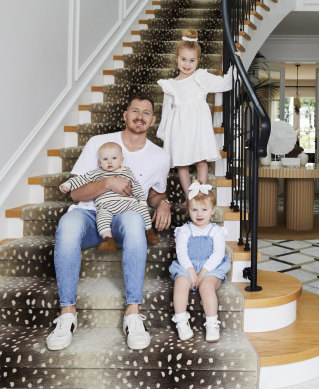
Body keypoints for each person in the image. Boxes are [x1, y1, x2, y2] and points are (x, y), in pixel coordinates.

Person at [46, 93, 172, 351]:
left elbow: (153, 194)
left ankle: (133, 314)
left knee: (135, 222)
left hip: (125, 216)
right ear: (124, 116)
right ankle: (67, 314)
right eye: (134, 111)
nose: (140, 116)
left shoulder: (160, 156)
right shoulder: (99, 142)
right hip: (90, 215)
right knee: (67, 225)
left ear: (153, 120)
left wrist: (165, 203)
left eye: (146, 113)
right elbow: (75, 193)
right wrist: (106, 183)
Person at [156, 28, 240, 202]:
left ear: (198, 61)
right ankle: (190, 196)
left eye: (192, 60)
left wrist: (236, 64)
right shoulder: (170, 85)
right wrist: (163, 133)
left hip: (198, 128)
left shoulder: (200, 78)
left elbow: (226, 83)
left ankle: (200, 194)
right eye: (183, 59)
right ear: (176, 59)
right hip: (179, 129)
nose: (187, 64)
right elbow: (166, 110)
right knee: (182, 164)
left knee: (201, 162)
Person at [59, 142, 160, 252]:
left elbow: (136, 187)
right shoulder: (97, 173)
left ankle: (149, 231)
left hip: (127, 204)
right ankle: (108, 240)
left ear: (121, 160)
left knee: (142, 210)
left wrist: (142, 201)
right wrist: (68, 185)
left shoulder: (126, 172)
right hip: (105, 207)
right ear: (99, 162)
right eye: (105, 159)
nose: (110, 162)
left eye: (114, 158)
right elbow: (80, 179)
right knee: (102, 220)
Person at [169, 180, 231, 343]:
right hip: (187, 266)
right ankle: (181, 321)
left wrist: (202, 273)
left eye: (204, 209)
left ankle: (212, 323)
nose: (199, 214)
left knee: (206, 286)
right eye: (194, 209)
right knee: (181, 283)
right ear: (188, 210)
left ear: (212, 211)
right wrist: (190, 271)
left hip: (211, 268)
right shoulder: (184, 230)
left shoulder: (216, 231)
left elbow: (217, 254)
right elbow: (181, 252)